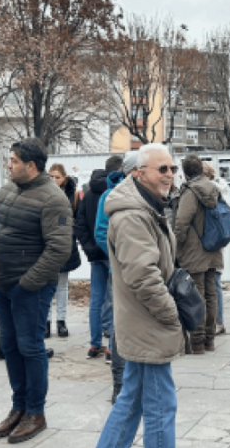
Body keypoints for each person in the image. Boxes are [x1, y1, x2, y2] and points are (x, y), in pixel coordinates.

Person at [0, 137, 72, 444]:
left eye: (12, 161)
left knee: (30, 347)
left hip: (31, 288)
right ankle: (19, 407)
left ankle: (35, 413)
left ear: (30, 165)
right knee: (10, 347)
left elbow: (59, 249)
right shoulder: (8, 189)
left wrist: (28, 283)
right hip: (5, 284)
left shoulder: (54, 198)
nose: (8, 165)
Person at [96, 143, 184, 448]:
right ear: (138, 173)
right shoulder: (133, 215)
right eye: (162, 169)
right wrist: (171, 313)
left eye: (172, 168)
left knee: (131, 401)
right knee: (161, 407)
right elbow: (143, 276)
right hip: (148, 322)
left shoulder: (146, 207)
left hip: (141, 321)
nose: (169, 174)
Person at [94, 150, 138, 402]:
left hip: (147, 272)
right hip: (120, 271)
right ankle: (119, 386)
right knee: (120, 326)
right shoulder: (109, 197)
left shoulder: (153, 196)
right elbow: (101, 232)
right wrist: (120, 257)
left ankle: (138, 381)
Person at [172, 154, 224, 354]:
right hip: (212, 248)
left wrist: (177, 246)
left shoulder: (191, 191)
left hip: (194, 250)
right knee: (211, 294)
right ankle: (209, 340)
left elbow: (182, 221)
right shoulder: (213, 188)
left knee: (197, 295)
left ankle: (197, 342)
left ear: (185, 173)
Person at [76, 155, 123, 360]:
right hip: (111, 252)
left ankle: (94, 345)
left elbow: (80, 224)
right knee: (115, 299)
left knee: (96, 299)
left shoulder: (87, 193)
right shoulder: (116, 192)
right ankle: (112, 347)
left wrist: (89, 248)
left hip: (96, 254)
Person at [47, 163, 81, 339]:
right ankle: (46, 323)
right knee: (46, 287)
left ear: (64, 178)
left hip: (65, 245)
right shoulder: (42, 194)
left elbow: (78, 219)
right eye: (51, 176)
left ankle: (61, 321)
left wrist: (70, 233)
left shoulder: (72, 196)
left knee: (61, 286)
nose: (54, 180)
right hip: (47, 246)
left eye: (58, 177)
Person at [203, 162, 229, 336]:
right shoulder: (221, 190)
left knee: (213, 283)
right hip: (218, 241)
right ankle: (217, 320)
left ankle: (217, 321)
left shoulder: (211, 191)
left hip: (210, 241)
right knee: (215, 282)